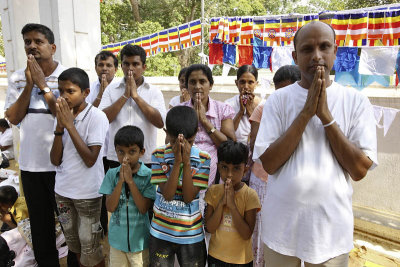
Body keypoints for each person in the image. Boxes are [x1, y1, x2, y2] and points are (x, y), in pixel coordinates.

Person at [253, 21, 378, 266]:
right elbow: (268, 164)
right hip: (281, 228)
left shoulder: (356, 101)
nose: (317, 56)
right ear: (295, 56)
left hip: (331, 233)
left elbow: (359, 170)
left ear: (335, 52)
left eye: (324, 47)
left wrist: (326, 117)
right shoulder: (278, 101)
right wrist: (306, 113)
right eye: (307, 49)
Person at [4, 23, 65, 267]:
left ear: (52, 47)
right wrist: (30, 84)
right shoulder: (18, 78)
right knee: (40, 228)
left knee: (69, 224)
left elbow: (65, 116)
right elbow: (14, 117)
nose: (31, 46)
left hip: (61, 166)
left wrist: (42, 84)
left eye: (37, 41)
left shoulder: (68, 76)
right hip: (30, 167)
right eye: (27, 41)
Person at [50, 67, 109, 267]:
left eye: (70, 91)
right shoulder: (61, 117)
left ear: (85, 93)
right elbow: (55, 160)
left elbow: (91, 159)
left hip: (87, 194)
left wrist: (69, 125)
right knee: (74, 245)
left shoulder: (97, 117)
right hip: (63, 192)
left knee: (90, 248)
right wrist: (59, 128)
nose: (64, 96)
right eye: (60, 91)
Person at [248, 65, 301, 267]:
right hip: (264, 180)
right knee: (262, 229)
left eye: (286, 90)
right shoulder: (264, 108)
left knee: (289, 232)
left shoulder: (306, 110)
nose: (281, 96)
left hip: (293, 182)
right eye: (278, 91)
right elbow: (255, 145)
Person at [149, 106, 210, 266]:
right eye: (175, 141)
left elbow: (189, 197)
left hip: (191, 234)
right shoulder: (158, 155)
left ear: (197, 132)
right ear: (166, 132)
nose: (183, 146)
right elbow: (168, 196)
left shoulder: (203, 158)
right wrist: (177, 162)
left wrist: (187, 161)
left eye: (189, 142)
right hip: (161, 232)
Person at [99, 44, 166, 169]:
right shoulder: (111, 90)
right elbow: (102, 120)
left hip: (145, 158)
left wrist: (136, 97)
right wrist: (125, 96)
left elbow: (160, 122)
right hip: (116, 157)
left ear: (144, 67)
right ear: (121, 66)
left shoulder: (154, 91)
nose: (130, 68)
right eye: (126, 64)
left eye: (135, 64)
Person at [99, 126, 156, 267]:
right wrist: (121, 181)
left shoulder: (148, 175)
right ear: (115, 151)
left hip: (140, 243)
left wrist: (130, 181)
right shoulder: (112, 174)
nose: (126, 157)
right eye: (120, 152)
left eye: (132, 152)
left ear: (142, 152)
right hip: (117, 242)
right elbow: (110, 207)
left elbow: (143, 208)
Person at [204, 140, 261, 266]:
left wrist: (232, 206)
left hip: (241, 261)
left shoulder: (250, 195)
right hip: (216, 257)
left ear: (245, 170)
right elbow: (209, 228)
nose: (230, 174)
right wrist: (221, 204)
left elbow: (246, 234)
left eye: (236, 168)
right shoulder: (213, 191)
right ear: (218, 167)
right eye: (225, 167)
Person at [179, 64, 236, 186]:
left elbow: (229, 145)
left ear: (210, 85)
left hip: (214, 177)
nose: (197, 86)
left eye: (202, 81)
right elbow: (171, 144)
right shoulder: (179, 111)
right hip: (183, 174)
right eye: (192, 82)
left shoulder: (223, 109)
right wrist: (193, 119)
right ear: (187, 86)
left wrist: (204, 121)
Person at [87, 50, 120, 236]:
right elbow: (89, 116)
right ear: (95, 67)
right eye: (101, 65)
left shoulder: (122, 87)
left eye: (109, 65)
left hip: (116, 149)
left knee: (117, 189)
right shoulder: (89, 88)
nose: (104, 68)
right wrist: (100, 92)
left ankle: (118, 227)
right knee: (99, 189)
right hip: (96, 150)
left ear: (116, 68)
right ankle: (102, 230)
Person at [0, 185, 68, 266]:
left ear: (2, 204)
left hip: (38, 234)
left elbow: (25, 232)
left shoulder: (19, 212)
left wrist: (7, 221)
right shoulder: (22, 199)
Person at [225, 65, 261, 144]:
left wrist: (249, 111)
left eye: (250, 82)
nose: (246, 87)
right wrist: (241, 111)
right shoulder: (228, 104)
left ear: (256, 84)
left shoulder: (262, 104)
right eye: (242, 82)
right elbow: (228, 133)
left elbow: (263, 132)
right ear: (236, 83)